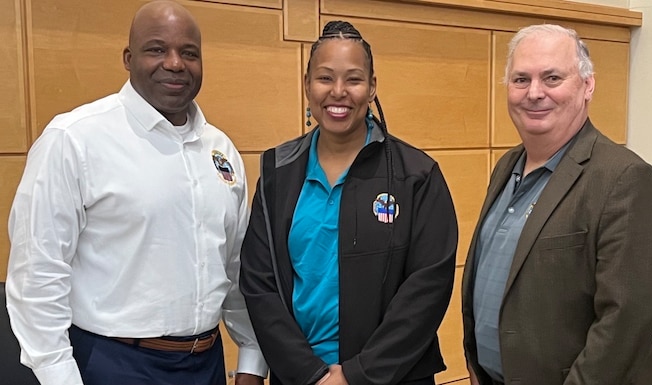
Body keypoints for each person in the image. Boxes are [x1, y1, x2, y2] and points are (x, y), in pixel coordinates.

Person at [5, 1, 267, 385]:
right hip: (112, 363)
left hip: (206, 364)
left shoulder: (221, 150)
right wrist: (57, 374)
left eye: (189, 53)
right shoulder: (74, 140)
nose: (175, 63)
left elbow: (234, 267)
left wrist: (251, 358)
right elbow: (37, 273)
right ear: (129, 58)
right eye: (157, 49)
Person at [239, 20, 458, 385]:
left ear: (372, 87)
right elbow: (260, 285)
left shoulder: (417, 175)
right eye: (325, 78)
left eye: (354, 79)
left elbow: (427, 288)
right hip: (298, 377)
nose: (338, 92)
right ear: (307, 84)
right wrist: (311, 374)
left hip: (392, 376)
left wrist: (357, 375)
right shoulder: (278, 173)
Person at [461, 24, 652, 385]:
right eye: (521, 80)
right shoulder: (506, 167)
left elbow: (628, 319)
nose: (534, 93)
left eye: (552, 78)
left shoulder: (624, 179)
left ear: (587, 86)